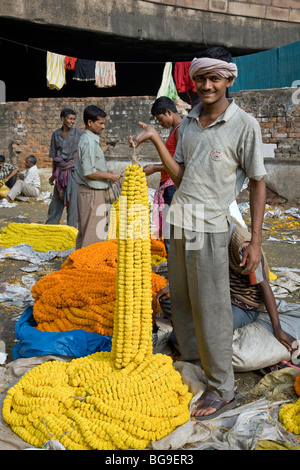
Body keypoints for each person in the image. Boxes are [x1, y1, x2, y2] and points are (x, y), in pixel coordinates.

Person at [129, 47, 267, 420]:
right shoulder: (187, 123)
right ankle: (192, 361)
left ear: (228, 79)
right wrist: (157, 140)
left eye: (214, 78)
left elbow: (257, 184)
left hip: (210, 228)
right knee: (184, 302)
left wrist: (255, 240)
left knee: (213, 308)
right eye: (201, 78)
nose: (207, 85)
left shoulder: (244, 125)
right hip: (179, 223)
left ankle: (223, 388)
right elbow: (181, 177)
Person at [156, 220, 297, 356]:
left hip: (242, 305)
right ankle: (190, 329)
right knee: (167, 299)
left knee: (193, 335)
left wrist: (278, 329)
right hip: (217, 292)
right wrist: (178, 288)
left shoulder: (243, 246)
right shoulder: (206, 239)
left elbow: (264, 286)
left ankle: (188, 333)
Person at [75, 105, 122, 249]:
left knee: (89, 232)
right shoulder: (88, 142)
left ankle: (80, 264)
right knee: (93, 235)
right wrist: (109, 176)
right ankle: (87, 267)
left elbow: (94, 166)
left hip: (93, 193)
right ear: (90, 123)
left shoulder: (91, 140)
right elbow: (88, 172)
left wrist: (108, 171)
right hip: (92, 193)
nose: (103, 126)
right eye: (100, 123)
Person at [143, 96, 182, 252]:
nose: (159, 123)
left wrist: (154, 168)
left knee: (172, 232)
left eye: (160, 119)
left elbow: (179, 166)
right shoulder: (174, 130)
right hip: (168, 185)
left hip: (173, 186)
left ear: (168, 112)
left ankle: (174, 268)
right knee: (168, 231)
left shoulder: (180, 131)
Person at [45, 108, 83, 228]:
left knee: (72, 205)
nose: (72, 121)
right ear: (63, 119)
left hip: (73, 173)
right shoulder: (56, 134)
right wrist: (53, 174)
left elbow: (85, 154)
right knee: (56, 202)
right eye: (70, 119)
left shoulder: (79, 134)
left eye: (74, 119)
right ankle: (50, 229)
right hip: (60, 173)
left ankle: (72, 231)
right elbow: (54, 156)